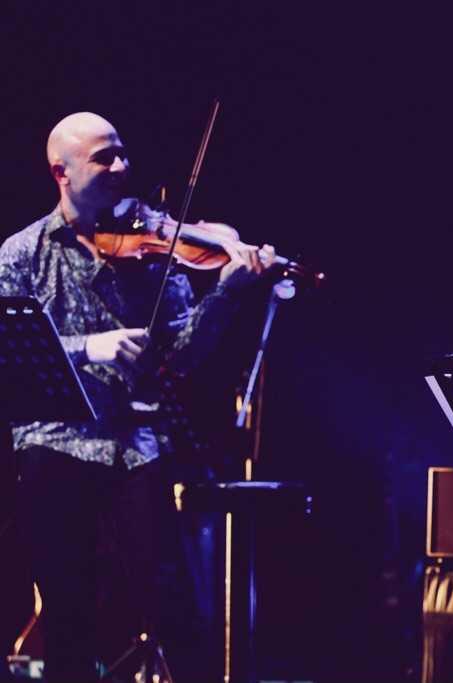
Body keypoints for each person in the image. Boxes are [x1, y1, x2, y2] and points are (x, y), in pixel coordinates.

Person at [0, 112, 276, 682]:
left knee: (177, 609)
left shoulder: (153, 246)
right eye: (103, 158)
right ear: (61, 172)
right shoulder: (22, 252)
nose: (122, 166)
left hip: (136, 445)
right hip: (54, 445)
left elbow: (181, 353)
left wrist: (228, 293)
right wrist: (88, 347)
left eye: (122, 153)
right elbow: (7, 348)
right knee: (68, 616)